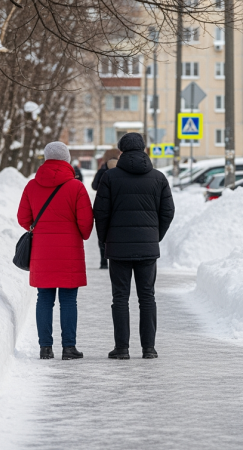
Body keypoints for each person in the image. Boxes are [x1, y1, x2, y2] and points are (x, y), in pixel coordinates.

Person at [93, 133, 174, 360]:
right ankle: (149, 348)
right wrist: (155, 235)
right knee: (147, 297)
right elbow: (168, 211)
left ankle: (122, 349)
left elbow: (100, 212)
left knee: (120, 298)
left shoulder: (110, 177)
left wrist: (104, 239)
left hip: (118, 248)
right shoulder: (158, 178)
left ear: (121, 151)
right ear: (144, 149)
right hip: (147, 248)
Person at [17, 142, 94, 360]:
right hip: (70, 254)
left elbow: (23, 218)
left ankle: (45, 348)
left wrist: (38, 227)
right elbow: (86, 223)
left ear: (46, 159)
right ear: (67, 160)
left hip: (42, 253)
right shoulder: (76, 187)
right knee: (69, 301)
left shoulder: (32, 186)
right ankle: (69, 348)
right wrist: (79, 233)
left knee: (44, 299)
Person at [91, 148, 121, 269]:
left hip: (104, 204)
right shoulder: (121, 169)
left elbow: (94, 186)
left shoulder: (103, 169)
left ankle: (103, 262)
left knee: (103, 233)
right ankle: (117, 259)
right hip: (118, 205)